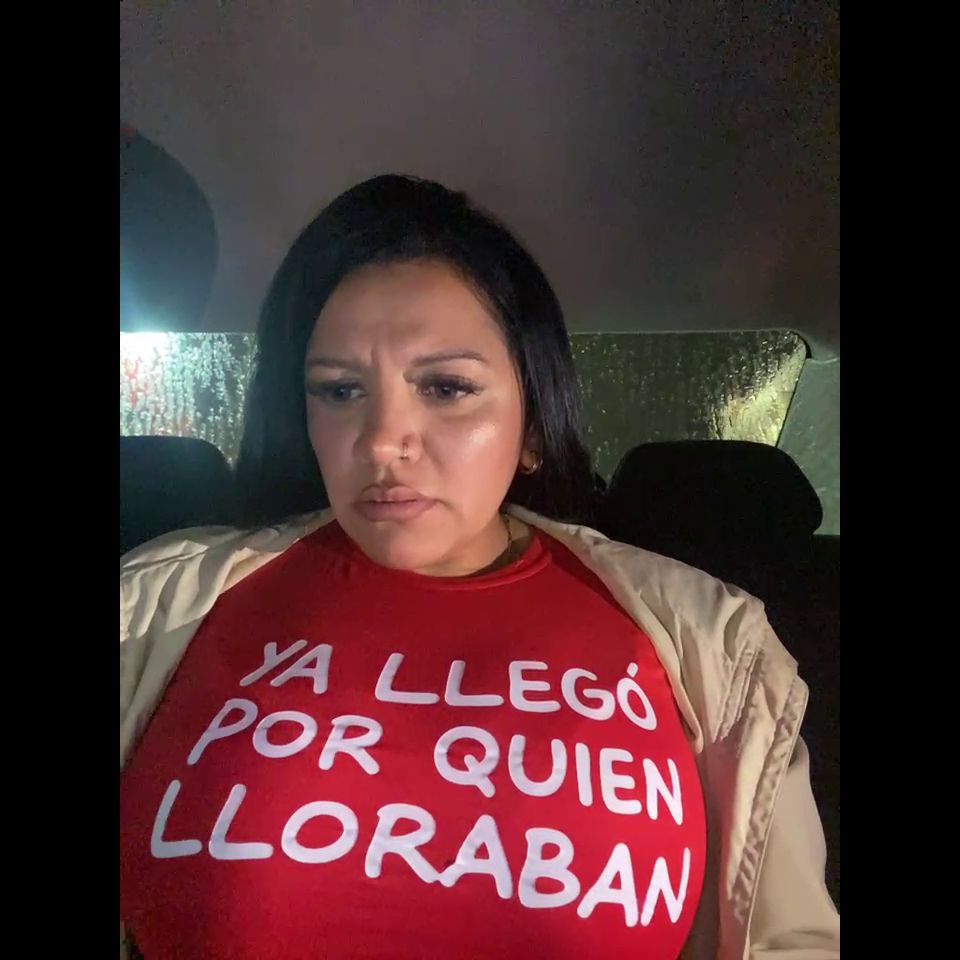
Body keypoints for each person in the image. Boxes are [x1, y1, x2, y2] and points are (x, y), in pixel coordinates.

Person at [120, 174, 840, 959]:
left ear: (532, 425)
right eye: (340, 390)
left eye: (447, 387)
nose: (381, 440)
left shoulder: (711, 643)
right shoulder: (150, 611)